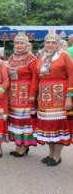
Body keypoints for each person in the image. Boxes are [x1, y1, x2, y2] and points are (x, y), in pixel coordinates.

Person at [34, 30, 73, 166]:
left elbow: (71, 75)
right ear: (44, 44)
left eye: (53, 42)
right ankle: (50, 153)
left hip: (59, 96)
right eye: (48, 42)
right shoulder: (41, 57)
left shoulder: (64, 56)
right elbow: (37, 77)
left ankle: (57, 156)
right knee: (48, 126)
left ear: (57, 44)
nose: (50, 45)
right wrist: (34, 96)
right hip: (44, 97)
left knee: (58, 126)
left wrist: (69, 97)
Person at [7, 32, 38, 157]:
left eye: (22, 43)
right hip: (13, 94)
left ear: (27, 44)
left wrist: (32, 94)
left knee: (25, 120)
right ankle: (19, 143)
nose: (19, 45)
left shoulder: (32, 58)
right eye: (17, 43)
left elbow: (35, 77)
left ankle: (25, 146)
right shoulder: (11, 58)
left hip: (26, 94)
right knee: (16, 120)